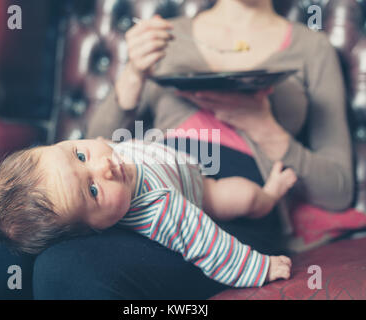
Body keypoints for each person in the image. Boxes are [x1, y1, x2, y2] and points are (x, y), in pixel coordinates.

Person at [79, 0, 354, 298]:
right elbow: (94, 150)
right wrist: (133, 73)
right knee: (42, 254)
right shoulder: (166, 37)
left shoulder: (312, 47)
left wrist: (264, 126)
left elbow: (337, 190)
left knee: (79, 267)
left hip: (246, 205)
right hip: (156, 183)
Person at [0, 137, 297, 288]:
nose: (104, 166)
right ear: (96, 229)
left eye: (80, 154)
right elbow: (208, 244)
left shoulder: (106, 158)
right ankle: (268, 195)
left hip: (175, 153)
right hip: (203, 189)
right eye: (92, 190)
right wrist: (258, 267)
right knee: (245, 197)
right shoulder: (158, 208)